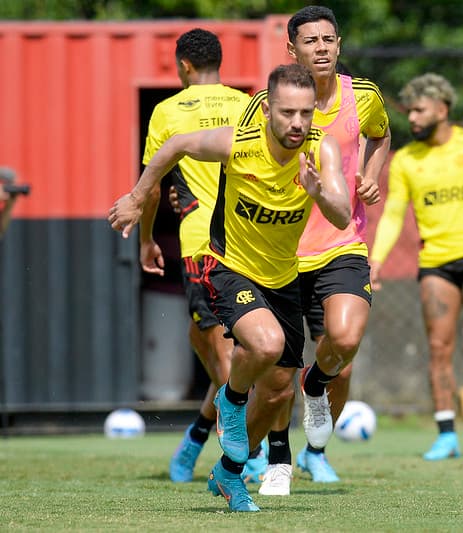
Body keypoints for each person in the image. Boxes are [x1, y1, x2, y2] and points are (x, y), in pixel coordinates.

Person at [109, 63, 351, 512]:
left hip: (284, 281)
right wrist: (139, 196)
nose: (297, 124)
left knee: (279, 391)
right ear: (267, 113)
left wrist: (319, 193)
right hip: (230, 268)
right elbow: (175, 145)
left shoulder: (322, 151)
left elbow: (340, 216)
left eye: (305, 114)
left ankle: (229, 473)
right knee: (265, 343)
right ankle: (230, 398)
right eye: (287, 113)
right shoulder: (239, 142)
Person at [235, 5, 390, 493]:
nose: (321, 48)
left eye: (328, 39)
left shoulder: (362, 95)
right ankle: (258, 456)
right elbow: (237, 162)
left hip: (341, 244)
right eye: (310, 41)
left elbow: (382, 134)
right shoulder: (264, 103)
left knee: (341, 347)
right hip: (276, 254)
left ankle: (315, 439)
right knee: (275, 380)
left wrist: (369, 174)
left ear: (339, 45)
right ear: (292, 50)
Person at [370, 73, 463, 461]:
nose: (413, 119)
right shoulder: (405, 160)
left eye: (420, 110)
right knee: (439, 348)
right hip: (435, 265)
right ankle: (446, 435)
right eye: (409, 112)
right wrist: (375, 260)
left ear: (443, 108)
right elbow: (392, 214)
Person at [138, 28, 253, 484]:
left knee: (227, 357)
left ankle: (243, 459)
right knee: (203, 341)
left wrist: (147, 239)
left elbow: (151, 188)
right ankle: (197, 435)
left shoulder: (168, 111)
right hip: (249, 241)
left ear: (183, 65)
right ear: (218, 62)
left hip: (203, 244)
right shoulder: (247, 104)